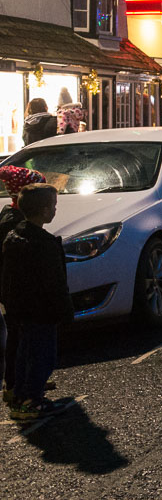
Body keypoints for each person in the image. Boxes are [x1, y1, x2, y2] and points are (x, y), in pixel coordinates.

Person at [1, 183, 72, 421]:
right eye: (53, 206)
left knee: (25, 354)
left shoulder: (14, 236)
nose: (55, 210)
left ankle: (21, 396)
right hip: (42, 311)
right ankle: (31, 401)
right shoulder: (44, 244)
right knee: (43, 356)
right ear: (43, 210)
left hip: (21, 310)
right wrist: (65, 310)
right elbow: (54, 282)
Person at [0, 166, 45, 412]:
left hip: (14, 290)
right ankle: (18, 388)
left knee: (19, 337)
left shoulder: (12, 218)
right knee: (20, 339)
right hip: (19, 292)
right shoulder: (15, 226)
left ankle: (20, 384)